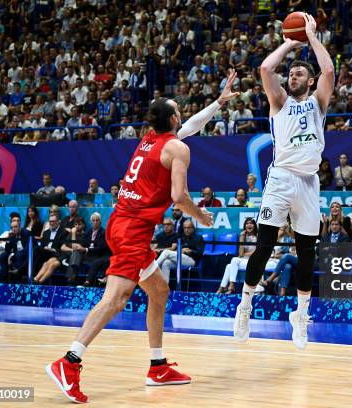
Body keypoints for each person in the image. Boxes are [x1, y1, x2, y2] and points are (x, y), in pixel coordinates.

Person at [46, 70, 239, 403]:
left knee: (159, 291)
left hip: (121, 221)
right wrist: (200, 214)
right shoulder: (177, 150)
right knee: (115, 300)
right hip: (133, 230)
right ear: (174, 118)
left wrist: (218, 103)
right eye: (178, 109)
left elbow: (189, 128)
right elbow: (179, 197)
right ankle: (69, 361)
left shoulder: (151, 138)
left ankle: (158, 366)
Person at [233, 13, 335, 350]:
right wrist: (292, 42)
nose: (293, 74)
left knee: (307, 253)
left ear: (310, 81)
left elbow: (330, 71)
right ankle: (245, 305)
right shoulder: (279, 103)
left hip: (308, 183)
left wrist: (311, 37)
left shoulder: (319, 103)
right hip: (279, 179)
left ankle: (301, 316)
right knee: (264, 245)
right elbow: (265, 69)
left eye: (300, 72)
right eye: (291, 72)